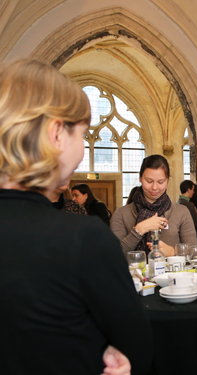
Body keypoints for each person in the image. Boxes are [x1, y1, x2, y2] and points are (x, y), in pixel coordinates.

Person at [0, 59, 152, 374]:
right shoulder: (82, 238)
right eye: (82, 134)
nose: (83, 148)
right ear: (56, 134)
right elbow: (137, 348)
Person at [110, 154, 197, 256]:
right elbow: (113, 255)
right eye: (149, 181)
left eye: (161, 182)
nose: (155, 187)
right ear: (140, 178)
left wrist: (173, 252)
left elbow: (195, 253)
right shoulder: (121, 214)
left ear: (168, 180)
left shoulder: (181, 212)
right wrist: (139, 229)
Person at [177, 179, 197, 244]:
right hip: (191, 236)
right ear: (188, 190)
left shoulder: (178, 203)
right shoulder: (189, 205)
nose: (193, 192)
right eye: (193, 189)